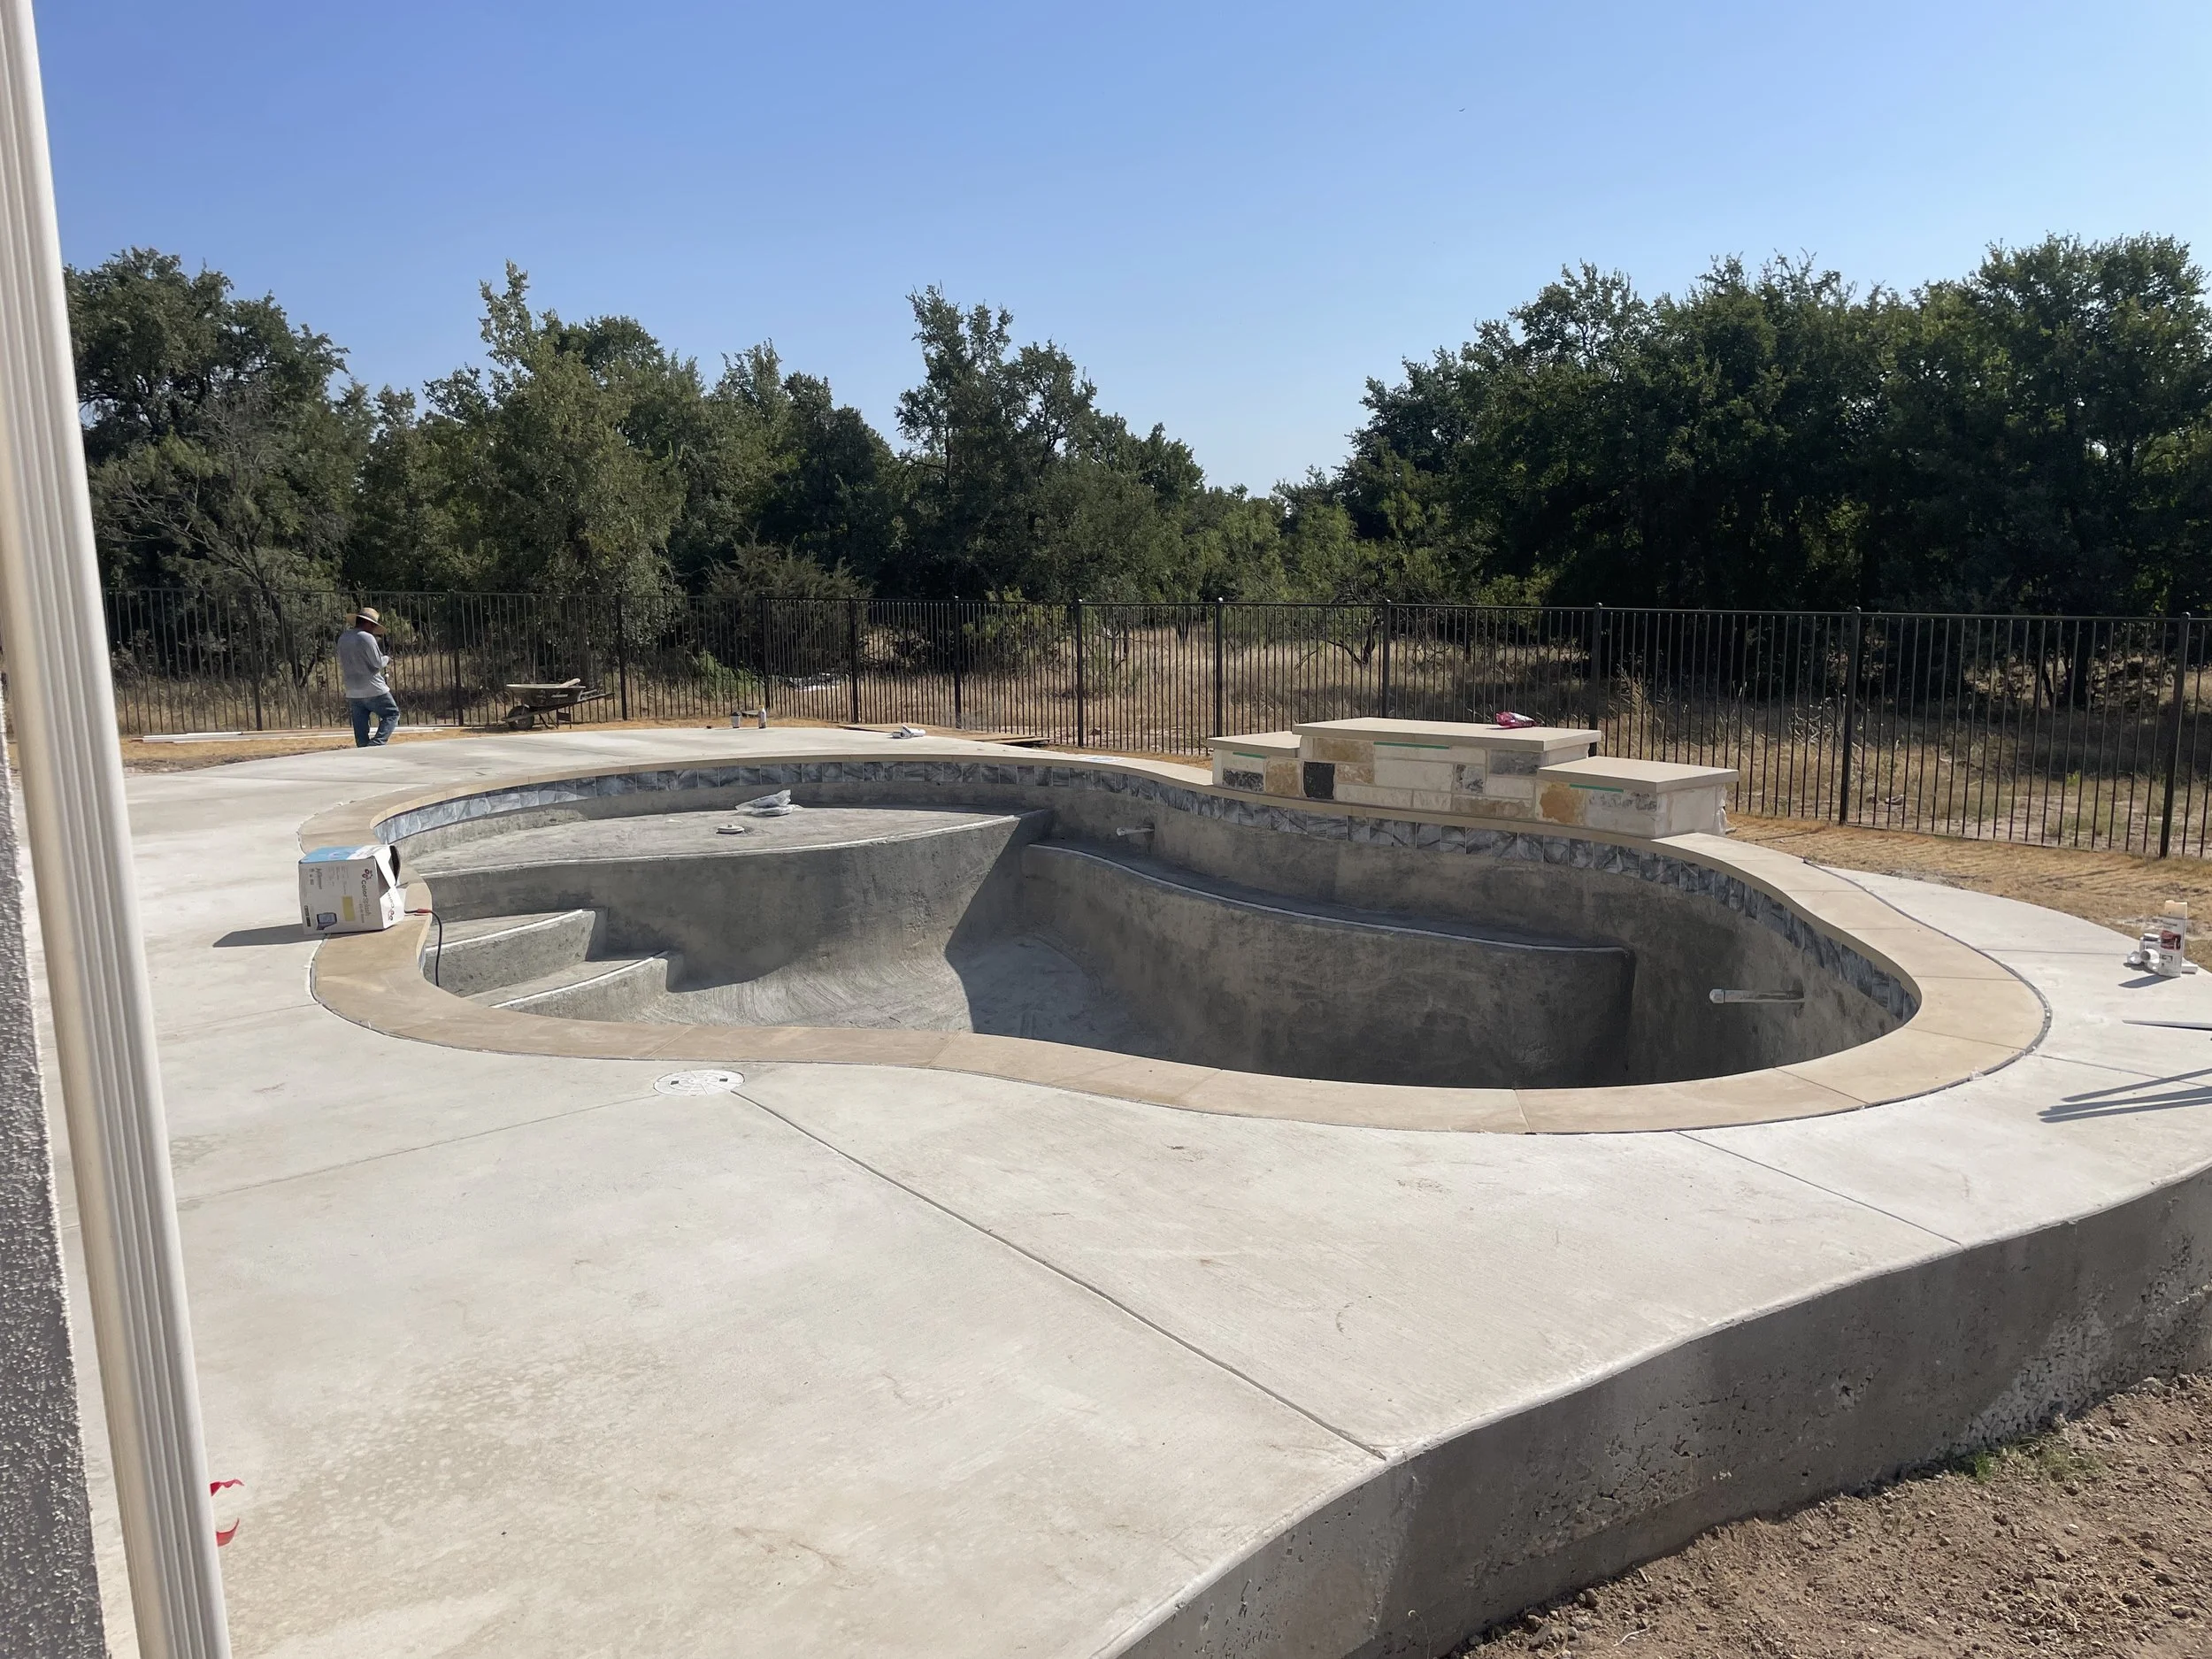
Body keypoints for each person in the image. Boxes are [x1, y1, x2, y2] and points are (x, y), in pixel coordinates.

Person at [337, 608, 400, 747]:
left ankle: (363, 747)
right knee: (392, 714)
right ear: (368, 623)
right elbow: (377, 663)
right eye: (373, 625)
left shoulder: (343, 638)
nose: (373, 629)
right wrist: (387, 659)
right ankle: (377, 743)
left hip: (352, 688)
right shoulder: (367, 637)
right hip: (373, 687)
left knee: (360, 726)